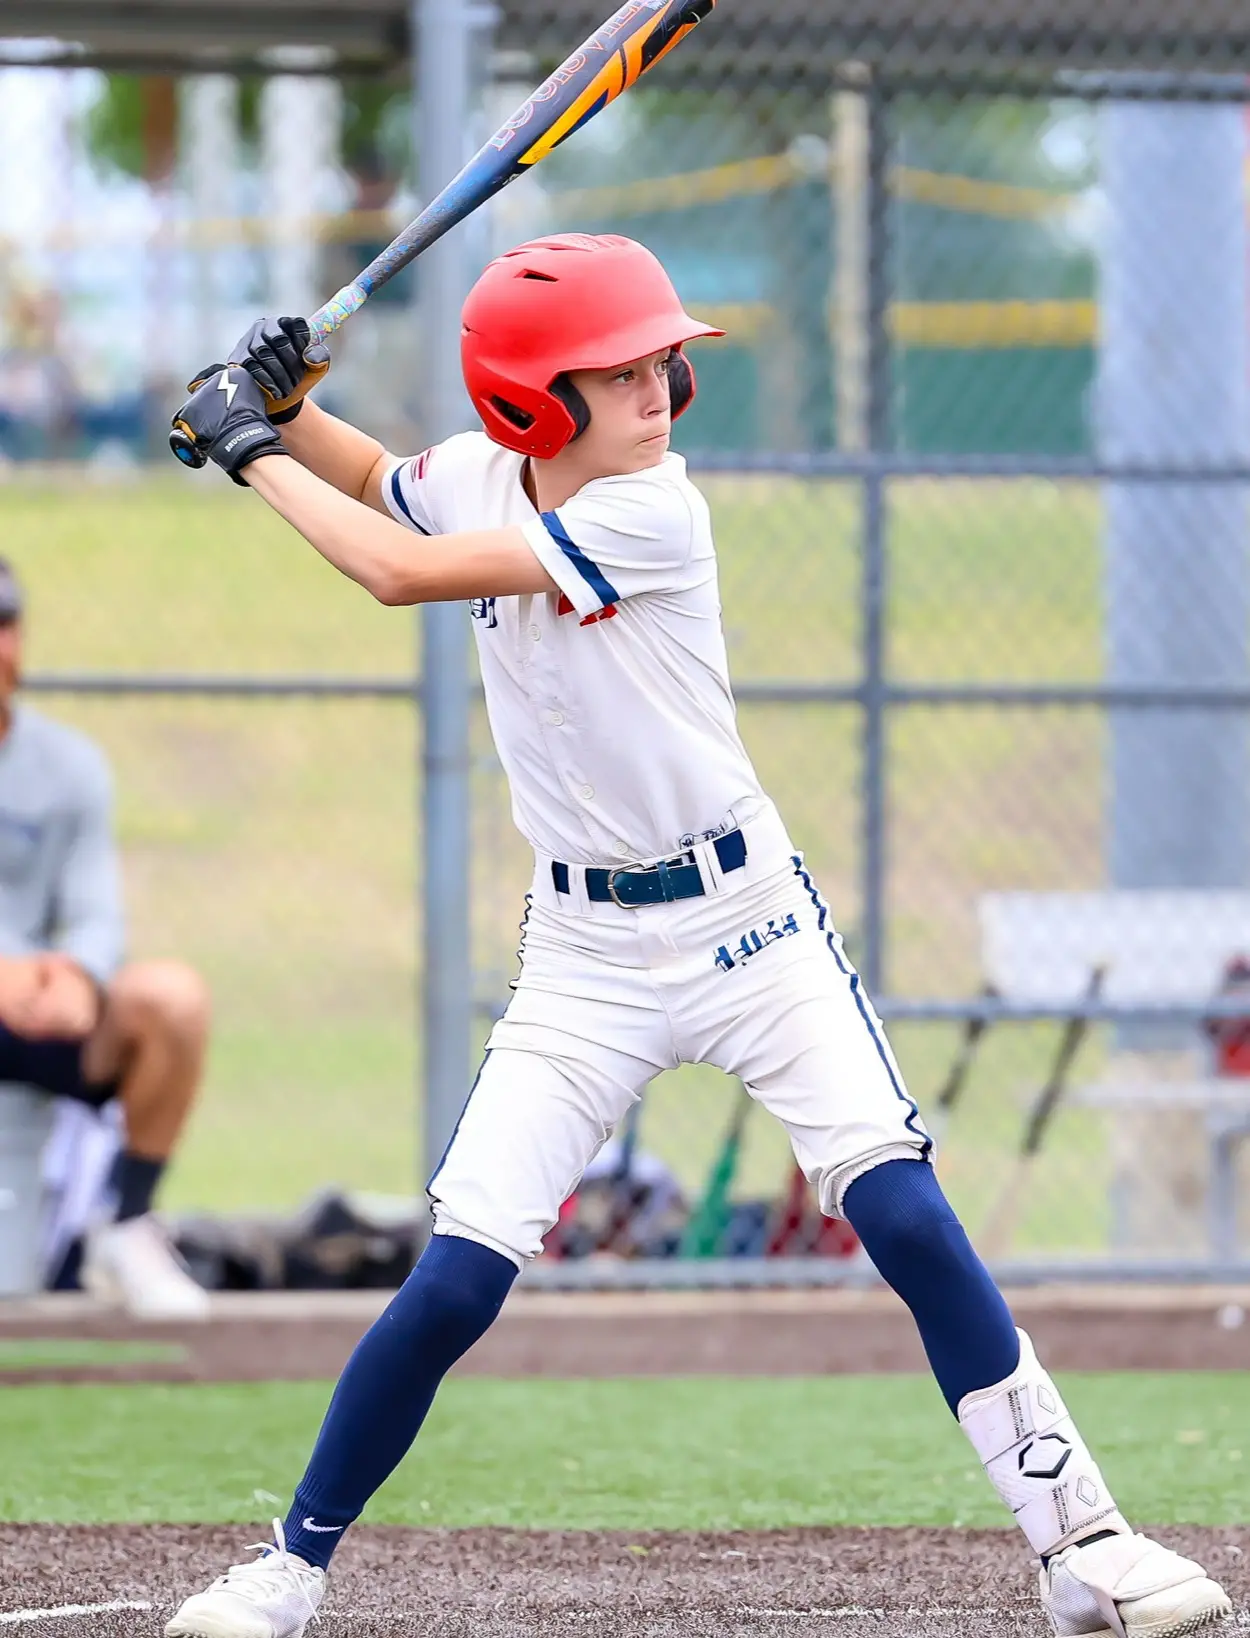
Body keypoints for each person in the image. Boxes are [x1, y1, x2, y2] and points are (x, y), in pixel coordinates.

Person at [163, 236, 1231, 1638]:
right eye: (616, 372)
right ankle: (288, 1567)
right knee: (455, 1277)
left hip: (747, 925)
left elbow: (390, 570)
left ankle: (1080, 1544)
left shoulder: (651, 510)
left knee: (901, 1212)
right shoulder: (480, 476)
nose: (658, 388)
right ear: (530, 403)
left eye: (661, 360)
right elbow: (380, 484)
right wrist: (295, 410)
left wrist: (248, 446)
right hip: (582, 954)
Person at [0, 557, 211, 1319]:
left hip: (39, 1011)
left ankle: (124, 1226)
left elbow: (96, 910)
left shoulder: (68, 764)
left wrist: (83, 979)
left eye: (7, 627)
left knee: (172, 999)